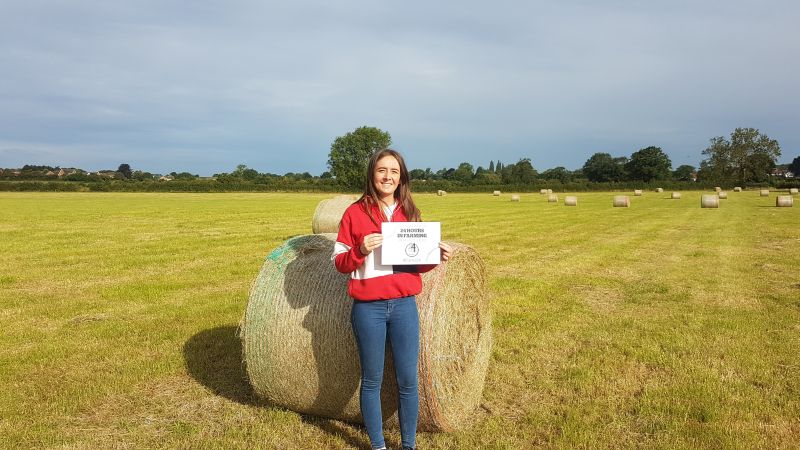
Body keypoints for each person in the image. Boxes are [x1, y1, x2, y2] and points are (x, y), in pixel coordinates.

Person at [332, 148, 452, 450]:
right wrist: (359, 250)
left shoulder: (410, 213)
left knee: (408, 380)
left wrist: (435, 256)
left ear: (401, 178)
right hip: (368, 309)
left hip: (403, 307)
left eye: (394, 172)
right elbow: (339, 263)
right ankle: (378, 446)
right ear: (372, 174)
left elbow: (417, 263)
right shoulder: (354, 213)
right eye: (382, 170)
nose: (388, 176)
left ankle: (409, 445)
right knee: (371, 380)